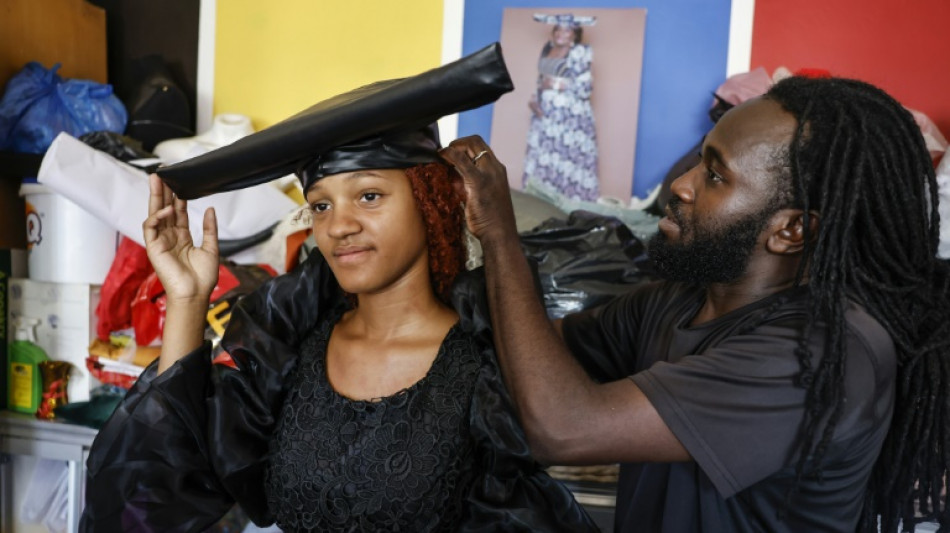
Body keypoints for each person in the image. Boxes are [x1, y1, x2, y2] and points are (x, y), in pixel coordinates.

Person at [79, 44, 597, 532]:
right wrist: (188, 299)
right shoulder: (287, 349)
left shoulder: (484, 366)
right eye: (321, 205)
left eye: (368, 196)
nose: (338, 225)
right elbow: (158, 488)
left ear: (430, 202)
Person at [442, 76, 950, 532]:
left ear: (792, 229)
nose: (680, 185)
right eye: (700, 159)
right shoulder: (681, 300)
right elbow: (531, 359)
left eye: (714, 176)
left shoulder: (816, 357)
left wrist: (500, 234)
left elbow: (562, 427)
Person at [522, 13, 599, 202]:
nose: (560, 33)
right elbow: (540, 80)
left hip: (568, 116)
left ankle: (567, 202)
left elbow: (585, 87)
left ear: (575, 34)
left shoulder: (580, 52)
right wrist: (535, 101)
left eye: (566, 30)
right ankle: (541, 200)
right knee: (543, 155)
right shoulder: (547, 49)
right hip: (545, 113)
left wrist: (557, 85)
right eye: (557, 29)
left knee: (565, 156)